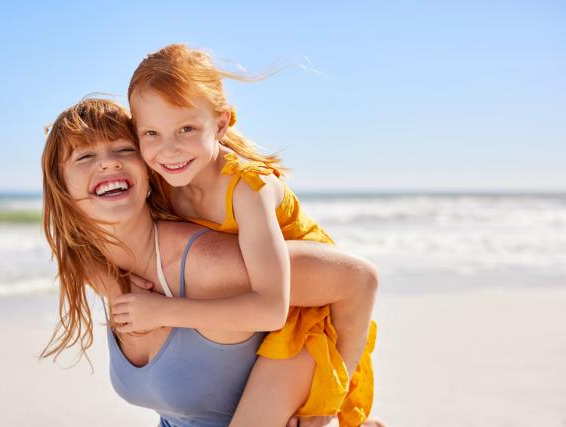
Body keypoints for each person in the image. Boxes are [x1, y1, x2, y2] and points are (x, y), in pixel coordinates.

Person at [40, 99, 380, 426]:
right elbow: (71, 243)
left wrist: (328, 401)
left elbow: (358, 278)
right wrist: (116, 289)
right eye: (85, 155)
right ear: (61, 185)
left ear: (147, 167)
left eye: (125, 149)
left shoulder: (211, 264)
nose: (108, 163)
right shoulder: (101, 264)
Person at [118, 44, 376, 424]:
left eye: (186, 129)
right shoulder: (162, 179)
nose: (168, 148)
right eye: (151, 132)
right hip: (245, 316)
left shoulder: (247, 189)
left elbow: (273, 310)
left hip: (305, 318)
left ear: (221, 124)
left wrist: (161, 311)